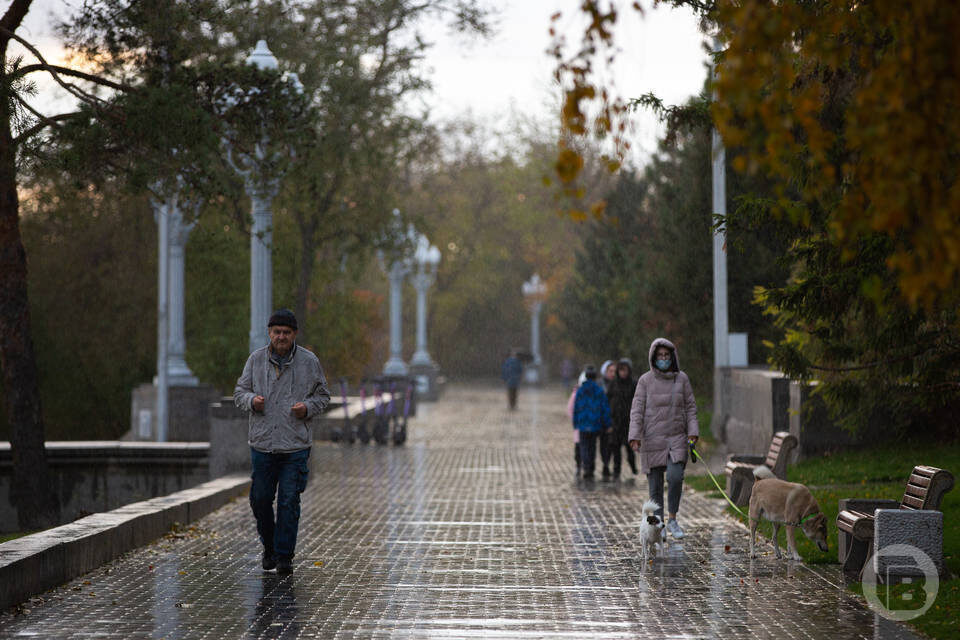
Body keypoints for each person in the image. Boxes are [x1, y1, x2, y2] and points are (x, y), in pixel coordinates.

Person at [234, 309, 331, 574]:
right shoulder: (255, 361)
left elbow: (323, 396)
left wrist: (307, 408)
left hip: (295, 445)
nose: (281, 337)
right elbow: (239, 392)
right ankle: (270, 548)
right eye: (277, 332)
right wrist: (252, 401)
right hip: (263, 444)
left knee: (289, 500)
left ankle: (285, 556)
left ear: (294, 334)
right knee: (260, 499)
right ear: (269, 333)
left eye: (286, 332)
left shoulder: (309, 362)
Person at [628, 338, 698, 539]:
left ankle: (673, 518)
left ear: (672, 356)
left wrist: (693, 432)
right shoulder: (645, 381)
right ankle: (660, 525)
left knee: (675, 477)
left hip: (676, 438)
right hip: (652, 439)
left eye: (667, 355)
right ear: (653, 357)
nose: (663, 359)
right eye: (660, 355)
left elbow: (691, 407)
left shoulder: (682, 379)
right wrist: (634, 435)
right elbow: (637, 410)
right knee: (655, 486)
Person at [573, 364, 612, 481]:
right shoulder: (599, 391)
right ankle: (591, 466)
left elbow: (576, 408)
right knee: (592, 446)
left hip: (583, 424)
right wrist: (607, 423)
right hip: (596, 424)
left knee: (584, 447)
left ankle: (586, 467)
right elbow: (605, 408)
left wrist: (575, 423)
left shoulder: (580, 391)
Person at [606, 357, 639, 480]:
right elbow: (608, 399)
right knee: (615, 448)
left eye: (625, 370)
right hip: (615, 422)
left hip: (628, 422)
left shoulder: (634, 384)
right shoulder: (613, 384)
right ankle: (616, 470)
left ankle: (633, 466)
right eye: (620, 370)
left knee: (629, 448)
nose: (623, 373)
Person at [599, 359, 617, 480]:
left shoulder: (618, 384)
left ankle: (615, 467)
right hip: (602, 420)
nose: (612, 373)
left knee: (614, 445)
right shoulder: (600, 385)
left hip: (616, 419)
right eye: (610, 371)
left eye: (614, 371)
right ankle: (605, 463)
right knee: (604, 445)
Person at [566, 371, 587, 476]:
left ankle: (586, 465)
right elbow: (570, 409)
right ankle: (579, 465)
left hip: (588, 426)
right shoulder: (575, 394)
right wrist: (576, 419)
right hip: (579, 426)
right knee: (578, 447)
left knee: (587, 447)